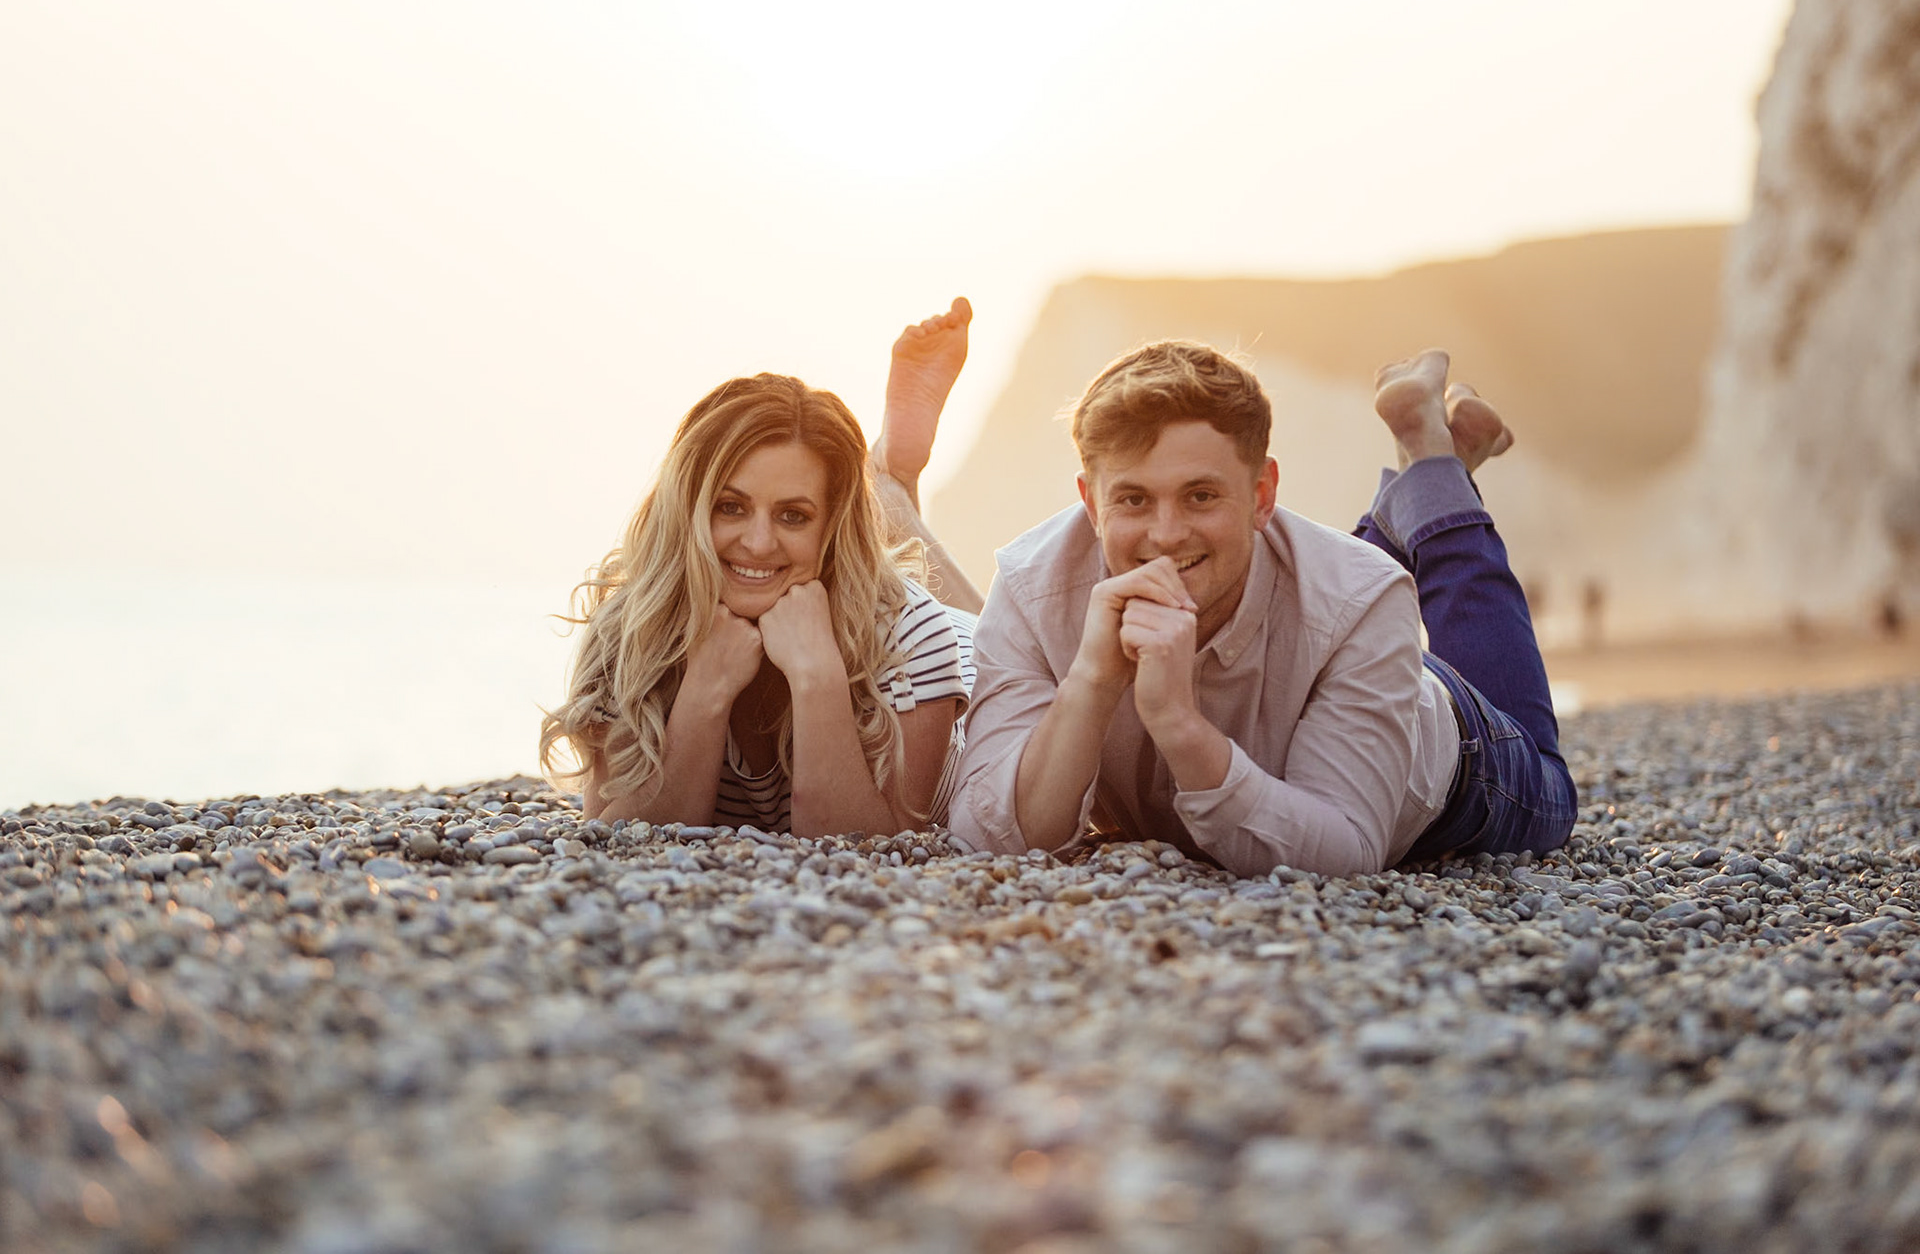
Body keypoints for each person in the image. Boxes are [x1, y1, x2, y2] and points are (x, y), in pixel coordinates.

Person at [946, 341, 1577, 877]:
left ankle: (1435, 465)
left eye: (1200, 495)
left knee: (1553, 796)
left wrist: (1178, 724)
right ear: (1090, 501)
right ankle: (1418, 473)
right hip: (1328, 629)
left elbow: (1348, 850)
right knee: (1318, 593)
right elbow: (989, 834)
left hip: (1446, 746)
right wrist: (1091, 679)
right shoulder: (1034, 588)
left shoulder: (1361, 603)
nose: (1164, 535)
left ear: (1263, 493)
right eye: (1133, 500)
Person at [539, 300, 982, 836]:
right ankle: (887, 488)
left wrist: (817, 673)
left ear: (829, 530)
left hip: (965, 654)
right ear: (690, 509)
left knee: (1004, 638)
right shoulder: (631, 631)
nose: (756, 541)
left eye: (794, 516)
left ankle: (890, 488)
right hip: (858, 590)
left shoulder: (912, 634)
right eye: (731, 506)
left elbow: (866, 846)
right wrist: (705, 688)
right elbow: (621, 836)